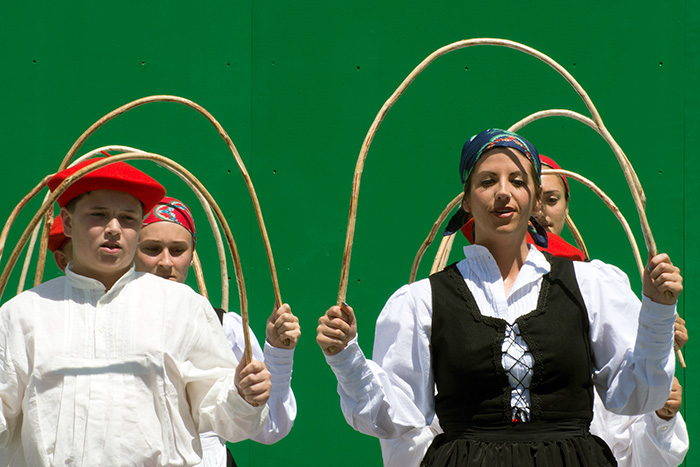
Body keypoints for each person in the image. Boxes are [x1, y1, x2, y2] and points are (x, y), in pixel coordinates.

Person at [316, 129, 681, 467]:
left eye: (517, 181)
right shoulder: (422, 301)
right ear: (466, 202)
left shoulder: (588, 285)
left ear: (536, 199)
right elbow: (393, 418)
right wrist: (347, 358)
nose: (503, 192)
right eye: (487, 181)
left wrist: (658, 313)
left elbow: (638, 395)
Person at [0, 158, 271, 466]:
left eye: (128, 219)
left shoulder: (181, 306)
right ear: (69, 221)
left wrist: (243, 394)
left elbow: (225, 417)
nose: (114, 229)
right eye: (98, 215)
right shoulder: (23, 314)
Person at [535, 155, 689, 467]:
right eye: (531, 198)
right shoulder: (465, 292)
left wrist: (657, 332)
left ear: (566, 206)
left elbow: (643, 440)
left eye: (551, 199)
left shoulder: (600, 285)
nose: (540, 212)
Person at [134, 197, 299, 467]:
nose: (166, 262)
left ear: (192, 254)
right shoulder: (106, 319)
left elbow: (270, 427)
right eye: (152, 249)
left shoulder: (222, 325)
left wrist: (278, 353)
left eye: (177, 250)